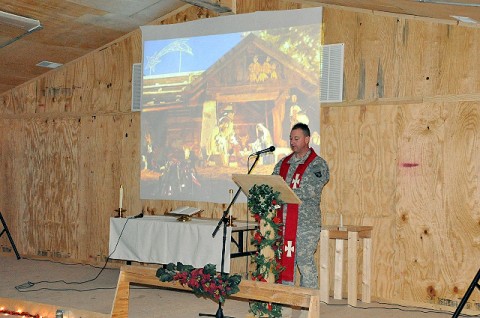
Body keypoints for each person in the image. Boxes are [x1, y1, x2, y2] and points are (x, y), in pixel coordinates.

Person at [272, 122, 329, 288]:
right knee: (284, 263)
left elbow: (310, 190)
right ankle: (284, 304)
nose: (292, 142)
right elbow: (273, 184)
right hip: (282, 223)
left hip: (306, 224)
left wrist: (284, 191)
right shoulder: (283, 164)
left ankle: (308, 307)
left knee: (304, 262)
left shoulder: (317, 164)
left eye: (296, 138)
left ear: (307, 139)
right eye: (290, 138)